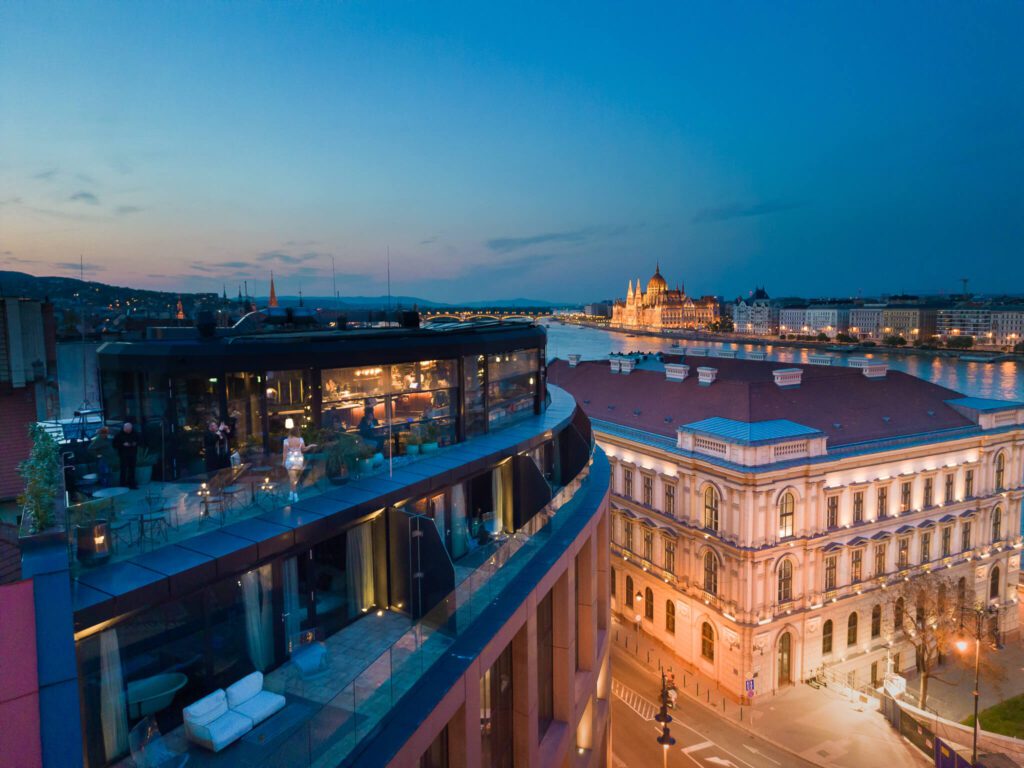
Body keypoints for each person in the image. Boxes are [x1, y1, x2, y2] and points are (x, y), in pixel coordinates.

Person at [282, 429, 317, 502]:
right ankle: (291, 494)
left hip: (290, 459)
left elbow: (285, 452)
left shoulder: (286, 441)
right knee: (293, 478)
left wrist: (283, 461)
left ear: (290, 433)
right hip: (298, 460)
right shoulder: (300, 439)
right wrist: (310, 445)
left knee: (292, 479)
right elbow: (304, 449)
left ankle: (295, 495)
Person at [112, 421, 140, 489]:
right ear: (124, 428)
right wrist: (122, 444)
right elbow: (114, 444)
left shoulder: (134, 433)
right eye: (127, 430)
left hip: (133, 453)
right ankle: (122, 484)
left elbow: (140, 440)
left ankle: (132, 483)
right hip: (123, 454)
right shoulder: (119, 435)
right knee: (123, 470)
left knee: (132, 469)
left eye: (130, 430)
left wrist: (135, 443)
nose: (129, 431)